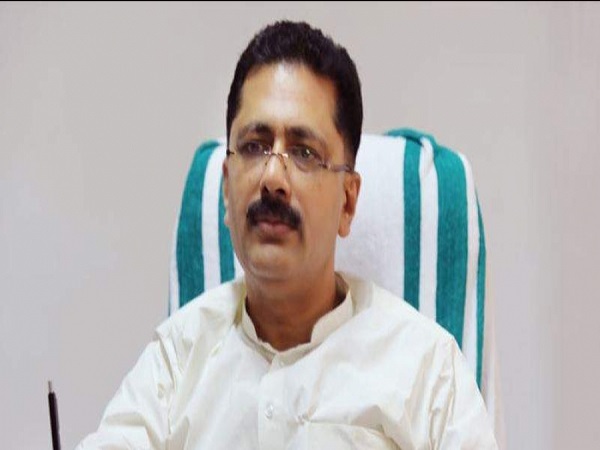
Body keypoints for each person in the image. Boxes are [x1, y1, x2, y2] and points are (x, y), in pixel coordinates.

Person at [78, 21, 498, 449]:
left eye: (304, 152)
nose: (273, 178)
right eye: (254, 146)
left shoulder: (428, 374)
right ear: (226, 189)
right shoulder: (175, 363)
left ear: (348, 202)